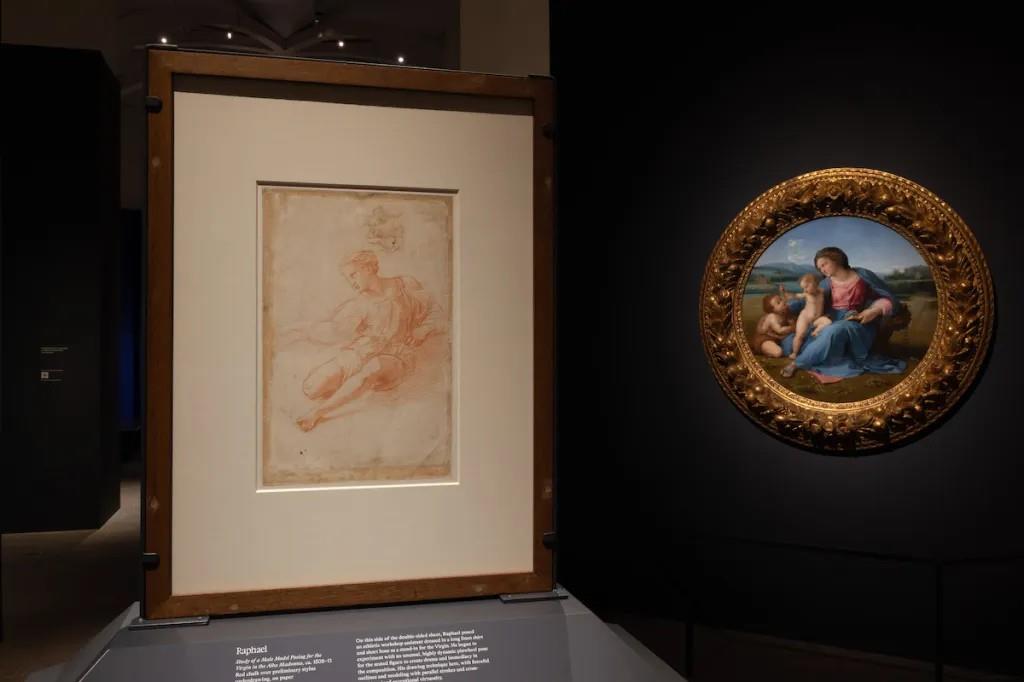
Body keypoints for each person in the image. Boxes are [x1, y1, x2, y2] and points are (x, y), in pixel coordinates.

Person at [279, 250, 445, 431]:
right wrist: (301, 330)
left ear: (368, 268)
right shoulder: (358, 305)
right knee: (312, 388)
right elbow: (333, 331)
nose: (351, 282)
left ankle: (317, 413)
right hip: (364, 351)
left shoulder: (405, 284)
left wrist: (423, 330)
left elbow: (436, 312)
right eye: (347, 278)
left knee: (371, 369)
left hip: (397, 355)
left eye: (353, 275)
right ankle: (352, 386)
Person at [779, 246, 906, 381]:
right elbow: (809, 299)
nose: (822, 270)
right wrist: (789, 307)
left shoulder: (863, 275)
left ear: (837, 259)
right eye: (819, 268)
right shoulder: (826, 283)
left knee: (834, 330)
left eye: (824, 264)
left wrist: (873, 311)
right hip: (831, 320)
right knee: (801, 338)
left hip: (858, 323)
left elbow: (888, 298)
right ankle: (806, 358)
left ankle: (797, 364)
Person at [784, 273, 831, 359]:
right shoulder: (806, 294)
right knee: (799, 335)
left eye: (806, 287)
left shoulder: (821, 291)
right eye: (803, 288)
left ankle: (816, 331)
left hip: (817, 318)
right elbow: (795, 296)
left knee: (828, 322)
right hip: (805, 317)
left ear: (814, 284)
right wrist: (785, 293)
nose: (804, 290)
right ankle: (794, 353)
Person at [751, 292, 795, 358]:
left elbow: (792, 322)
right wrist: (793, 328)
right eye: (778, 303)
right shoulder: (772, 317)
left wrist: (792, 323)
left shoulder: (785, 312)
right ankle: (763, 350)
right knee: (778, 352)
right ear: (773, 310)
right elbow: (780, 330)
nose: (782, 302)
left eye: (781, 299)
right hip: (765, 339)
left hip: (777, 339)